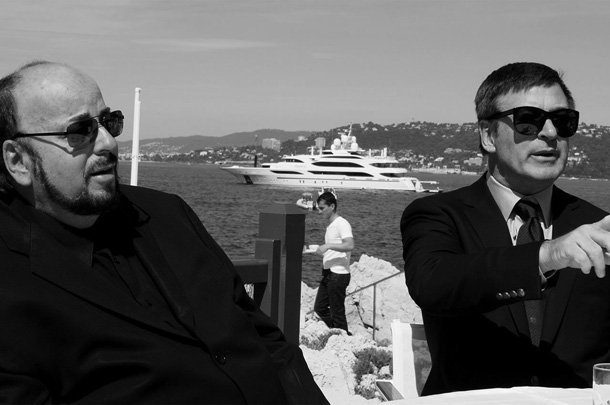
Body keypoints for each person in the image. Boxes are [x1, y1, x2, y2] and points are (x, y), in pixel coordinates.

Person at [0, 61, 328, 404]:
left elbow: (267, 342)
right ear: (18, 161)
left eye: (109, 122)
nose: (109, 143)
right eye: (80, 130)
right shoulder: (10, 285)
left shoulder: (168, 214)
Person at [400, 62, 610, 396]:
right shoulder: (438, 214)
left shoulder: (597, 225)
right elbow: (433, 283)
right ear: (488, 136)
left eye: (563, 120)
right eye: (529, 120)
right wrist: (546, 255)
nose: (550, 133)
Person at [313, 191, 354, 333]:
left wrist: (328, 246)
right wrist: (321, 249)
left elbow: (349, 245)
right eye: (318, 208)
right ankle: (339, 333)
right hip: (329, 273)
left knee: (337, 312)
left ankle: (344, 338)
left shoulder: (342, 223)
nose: (320, 212)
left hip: (339, 274)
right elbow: (336, 247)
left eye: (322, 208)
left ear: (332, 206)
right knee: (319, 308)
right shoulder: (331, 225)